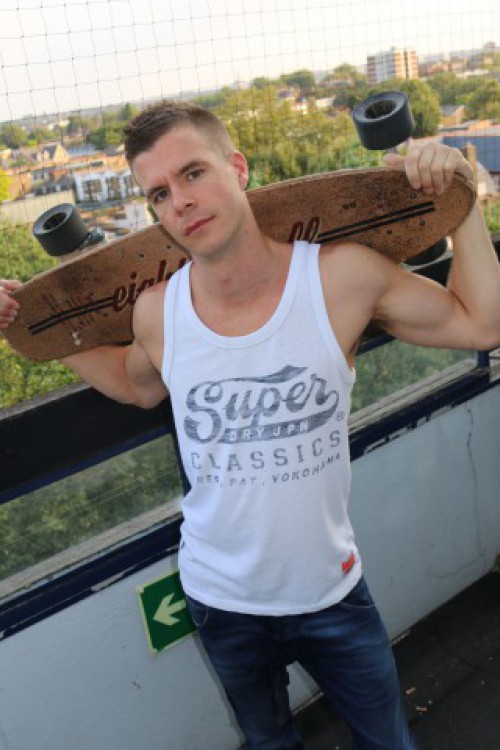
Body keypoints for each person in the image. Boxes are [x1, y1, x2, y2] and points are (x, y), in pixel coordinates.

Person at [1, 100, 500, 749]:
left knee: (388, 743)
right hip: (219, 600)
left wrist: (461, 202)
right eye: (160, 193)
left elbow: (480, 324)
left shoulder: (338, 278)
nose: (181, 201)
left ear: (237, 168)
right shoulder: (158, 312)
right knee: (268, 743)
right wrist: (29, 330)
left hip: (330, 591)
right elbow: (132, 383)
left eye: (193, 173)